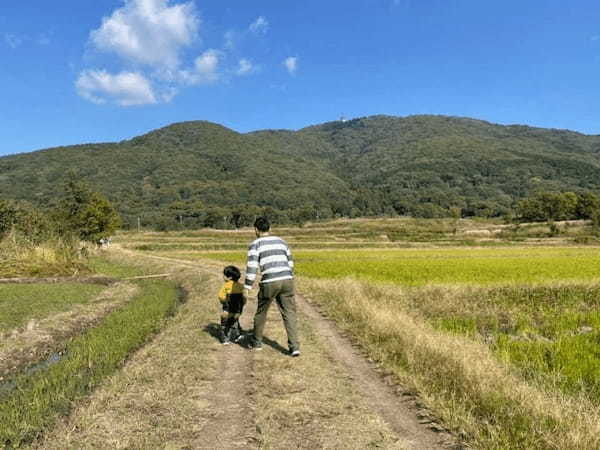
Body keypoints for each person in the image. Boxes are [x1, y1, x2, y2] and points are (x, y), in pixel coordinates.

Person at [244, 217, 300, 357]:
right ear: (270, 228)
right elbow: (290, 262)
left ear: (256, 230)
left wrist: (247, 286)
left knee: (261, 312)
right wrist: (290, 277)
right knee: (289, 313)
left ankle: (256, 343)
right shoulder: (282, 242)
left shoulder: (255, 244)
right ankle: (294, 347)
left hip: (270, 281)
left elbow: (252, 268)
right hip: (287, 279)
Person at [217, 265, 246, 344]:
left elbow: (221, 296)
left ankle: (225, 339)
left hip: (228, 308)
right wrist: (242, 304)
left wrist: (223, 302)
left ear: (229, 277)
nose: (223, 276)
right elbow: (244, 298)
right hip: (238, 309)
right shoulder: (241, 286)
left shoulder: (226, 286)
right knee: (235, 321)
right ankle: (238, 335)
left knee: (225, 323)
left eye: (224, 275)